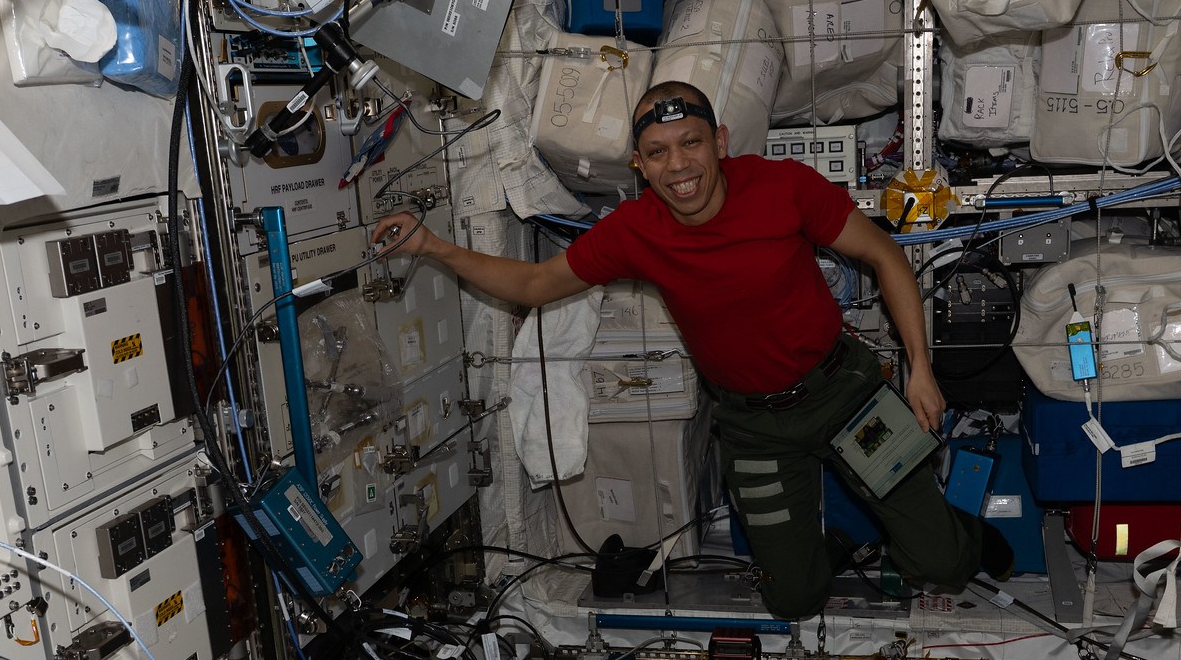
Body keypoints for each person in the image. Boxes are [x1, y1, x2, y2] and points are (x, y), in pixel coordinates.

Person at [371, 80, 1012, 620]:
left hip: (843, 392)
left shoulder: (783, 187)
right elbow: (537, 284)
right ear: (640, 166)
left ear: (721, 142)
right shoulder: (634, 231)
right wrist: (432, 246)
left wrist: (920, 371)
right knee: (795, 600)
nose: (678, 166)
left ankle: (949, 537)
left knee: (943, 566)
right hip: (754, 428)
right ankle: (832, 544)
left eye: (690, 143)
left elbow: (883, 254)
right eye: (658, 153)